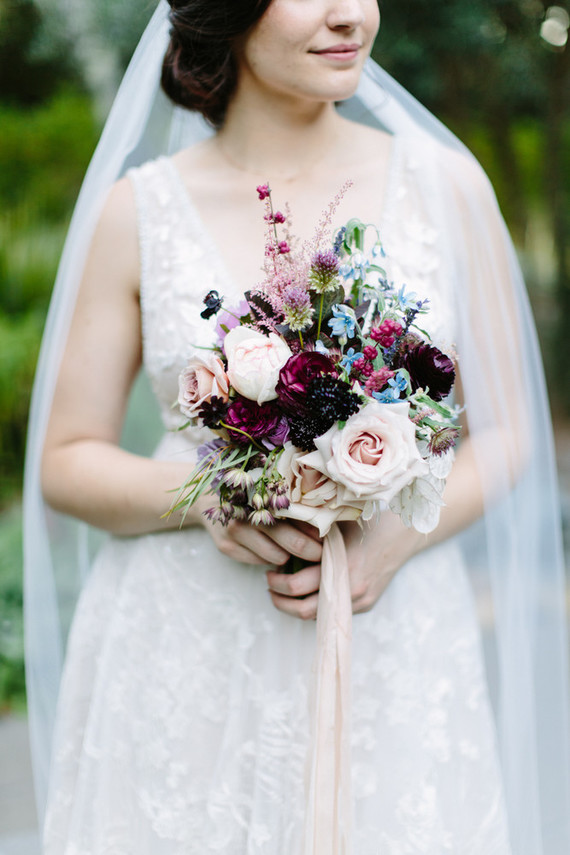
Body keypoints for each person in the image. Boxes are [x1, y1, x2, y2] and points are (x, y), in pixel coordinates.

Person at [23, 1, 570, 853]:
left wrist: (395, 537)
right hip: (185, 652)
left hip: (394, 642)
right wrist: (213, 496)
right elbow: (65, 459)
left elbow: (509, 434)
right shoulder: (138, 212)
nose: (350, 15)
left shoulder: (446, 186)